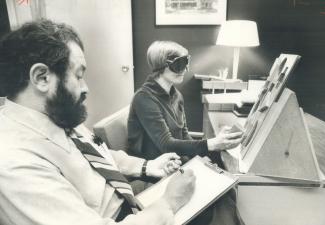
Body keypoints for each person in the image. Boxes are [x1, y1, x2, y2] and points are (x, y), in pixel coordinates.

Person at [0, 20, 196, 225]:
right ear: (41, 77)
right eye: (78, 76)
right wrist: (169, 203)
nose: (86, 88)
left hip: (126, 197)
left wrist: (147, 166)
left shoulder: (55, 114)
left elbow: (96, 154)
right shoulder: (15, 164)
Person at [127, 40, 243, 164]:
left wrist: (197, 158)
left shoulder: (176, 95)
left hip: (176, 159)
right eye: (179, 64)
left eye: (186, 63)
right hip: (155, 165)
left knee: (219, 162)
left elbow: (184, 134)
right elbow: (166, 145)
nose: (185, 70)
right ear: (160, 66)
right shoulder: (144, 99)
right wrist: (212, 144)